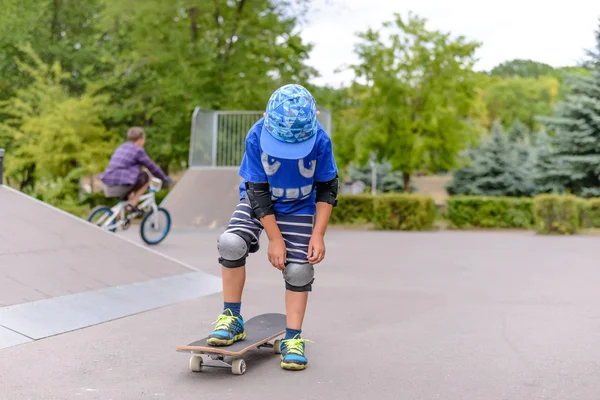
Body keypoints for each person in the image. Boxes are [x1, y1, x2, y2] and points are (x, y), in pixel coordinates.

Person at [206, 84, 339, 371]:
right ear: (267, 118)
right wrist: (274, 237)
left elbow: (328, 186)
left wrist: (318, 234)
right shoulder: (256, 134)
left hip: (299, 206)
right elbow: (257, 190)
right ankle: (232, 318)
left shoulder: (320, 140)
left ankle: (293, 339)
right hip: (259, 202)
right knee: (231, 242)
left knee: (299, 269)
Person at [99, 127, 170, 210]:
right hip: (121, 184)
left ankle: (118, 218)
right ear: (140, 139)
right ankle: (132, 205)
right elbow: (152, 167)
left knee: (132, 180)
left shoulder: (121, 148)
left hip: (108, 184)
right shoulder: (138, 150)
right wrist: (165, 178)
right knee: (147, 176)